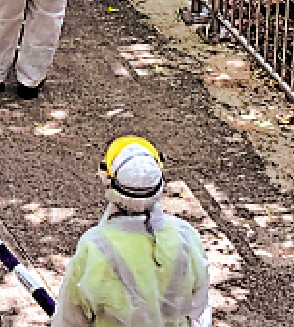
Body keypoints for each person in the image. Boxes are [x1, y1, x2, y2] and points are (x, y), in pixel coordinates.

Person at [52, 136, 212, 327]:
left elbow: (70, 318)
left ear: (110, 184)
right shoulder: (186, 236)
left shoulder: (94, 245)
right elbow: (199, 309)